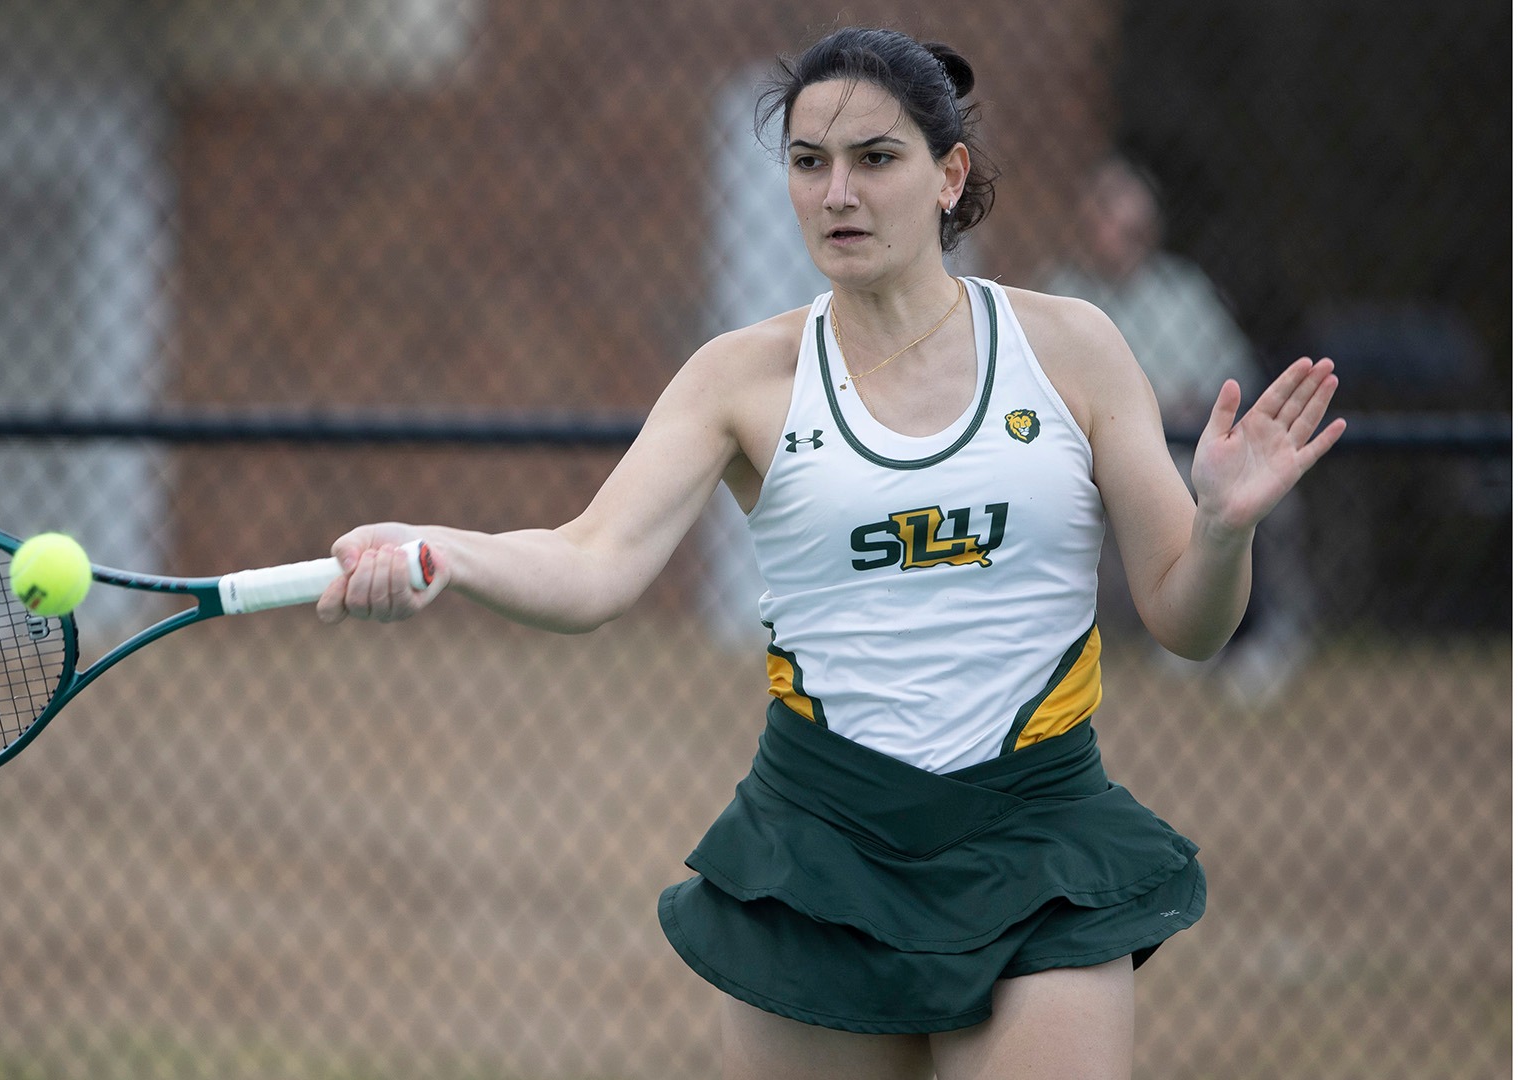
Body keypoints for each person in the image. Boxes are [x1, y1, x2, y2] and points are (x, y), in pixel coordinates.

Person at [316, 27, 1344, 1080]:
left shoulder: (1073, 348)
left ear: (949, 176)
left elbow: (1189, 621)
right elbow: (593, 564)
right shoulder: (741, 376)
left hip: (1040, 839)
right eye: (809, 163)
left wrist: (1223, 528)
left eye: (875, 159)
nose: (837, 191)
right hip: (820, 851)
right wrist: (446, 550)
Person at [1045, 158, 1316, 701]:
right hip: (1103, 451)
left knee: (1251, 493)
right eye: (1107, 222)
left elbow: (1232, 377)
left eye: (1132, 226)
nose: (1119, 238)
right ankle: (1183, 633)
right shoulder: (1060, 294)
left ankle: (1260, 638)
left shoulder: (1182, 288)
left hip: (1190, 438)